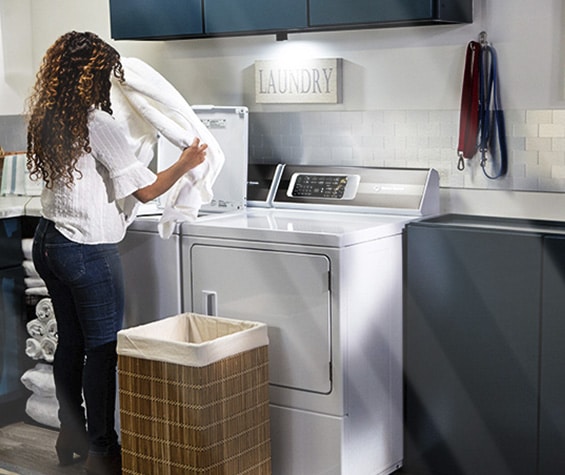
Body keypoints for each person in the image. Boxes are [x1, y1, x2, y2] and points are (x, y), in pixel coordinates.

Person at [26, 31, 207, 475]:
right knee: (103, 350)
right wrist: (187, 162)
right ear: (93, 76)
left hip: (49, 242)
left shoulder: (47, 113)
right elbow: (144, 190)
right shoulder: (96, 122)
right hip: (87, 248)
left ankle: (72, 432)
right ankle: (103, 452)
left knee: (71, 342)